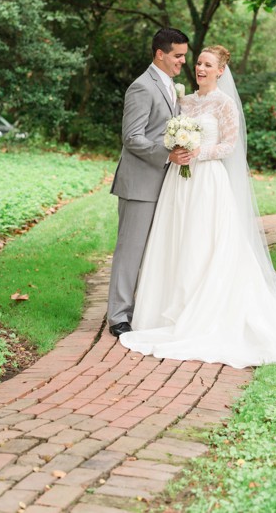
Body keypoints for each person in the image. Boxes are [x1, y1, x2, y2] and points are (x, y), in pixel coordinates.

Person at [120, 45, 276, 367]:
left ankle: (203, 311)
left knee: (205, 243)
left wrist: (199, 152)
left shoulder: (225, 105)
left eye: (208, 64)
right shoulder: (182, 101)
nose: (200, 68)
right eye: (198, 62)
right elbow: (164, 133)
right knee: (176, 239)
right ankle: (165, 309)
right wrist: (176, 145)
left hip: (208, 182)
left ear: (221, 71)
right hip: (179, 182)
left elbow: (229, 146)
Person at [108, 27, 192, 337]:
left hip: (164, 184)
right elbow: (132, 137)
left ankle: (140, 309)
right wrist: (166, 155)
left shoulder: (170, 85)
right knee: (130, 251)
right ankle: (117, 316)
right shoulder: (142, 86)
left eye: (184, 55)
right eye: (177, 56)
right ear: (160, 53)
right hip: (139, 184)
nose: (182, 61)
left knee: (153, 251)